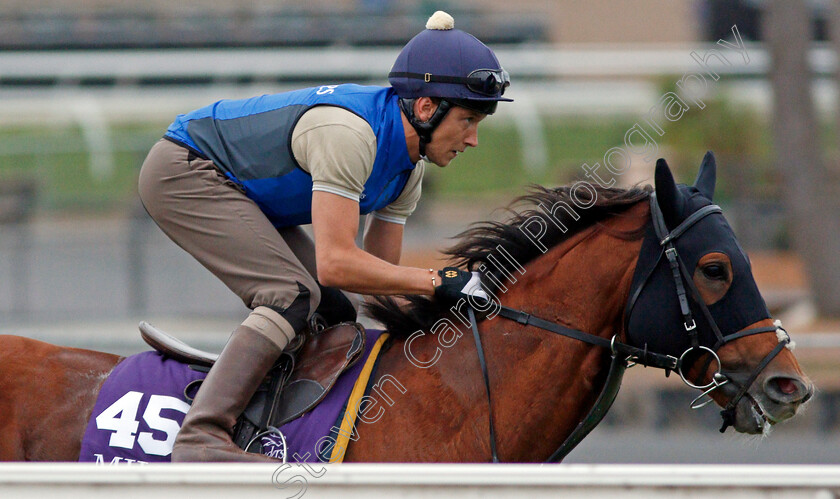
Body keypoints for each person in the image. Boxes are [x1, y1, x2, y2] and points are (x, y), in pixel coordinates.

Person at [137, 10, 510, 462]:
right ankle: (201, 436)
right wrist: (436, 280)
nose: (472, 140)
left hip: (238, 187)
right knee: (288, 296)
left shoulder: (408, 171)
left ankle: (269, 414)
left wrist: (447, 309)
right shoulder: (350, 135)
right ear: (428, 107)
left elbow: (376, 281)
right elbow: (336, 262)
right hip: (184, 170)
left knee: (336, 308)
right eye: (469, 120)